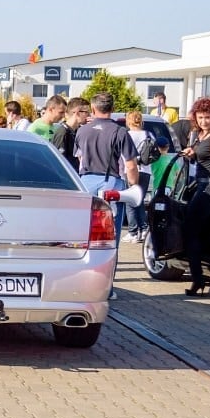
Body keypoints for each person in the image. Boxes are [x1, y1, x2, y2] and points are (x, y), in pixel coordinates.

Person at [73, 92, 139, 300]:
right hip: (111, 185)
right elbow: (130, 165)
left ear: (93, 108)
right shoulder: (120, 132)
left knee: (82, 238)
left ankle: (78, 285)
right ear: (112, 108)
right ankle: (106, 289)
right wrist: (134, 186)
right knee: (110, 240)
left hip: (85, 184)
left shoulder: (82, 131)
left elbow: (80, 159)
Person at [181, 98, 210, 297]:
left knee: (189, 230)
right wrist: (192, 153)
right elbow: (201, 157)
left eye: (207, 117)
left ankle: (198, 279)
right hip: (200, 184)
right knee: (194, 230)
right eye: (200, 117)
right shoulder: (200, 134)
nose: (203, 121)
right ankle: (199, 276)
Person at [119, 111, 154, 244]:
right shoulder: (149, 135)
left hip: (130, 170)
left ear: (128, 121)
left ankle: (133, 232)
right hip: (146, 170)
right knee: (139, 200)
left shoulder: (126, 135)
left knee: (130, 201)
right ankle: (144, 228)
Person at [51, 97, 89, 172]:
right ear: (77, 113)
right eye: (86, 112)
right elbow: (59, 162)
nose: (89, 115)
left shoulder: (77, 131)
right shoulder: (63, 133)